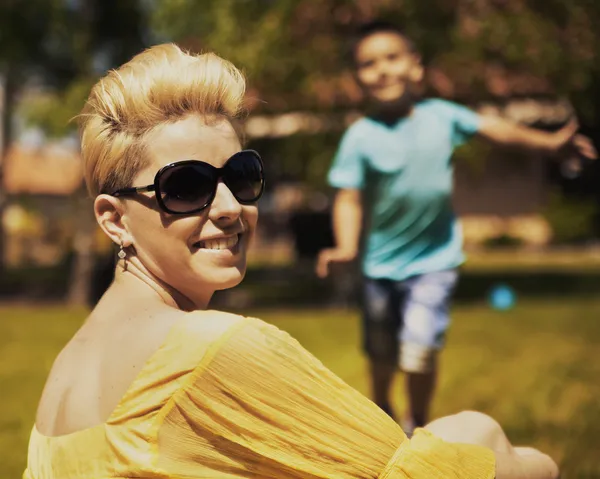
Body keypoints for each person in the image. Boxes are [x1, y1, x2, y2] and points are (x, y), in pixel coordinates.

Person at [24, 43, 560, 479]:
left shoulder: (63, 377)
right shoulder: (210, 350)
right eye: (185, 187)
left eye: (241, 176)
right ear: (114, 219)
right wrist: (535, 463)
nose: (233, 208)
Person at [316, 21, 597, 432]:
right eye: (368, 63)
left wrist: (549, 145)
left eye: (392, 58)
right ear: (358, 79)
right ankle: (380, 406)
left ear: (416, 67)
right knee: (381, 351)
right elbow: (349, 197)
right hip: (378, 266)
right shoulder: (360, 136)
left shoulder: (441, 116)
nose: (381, 70)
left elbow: (500, 131)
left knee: (420, 348)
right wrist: (345, 247)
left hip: (434, 260)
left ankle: (417, 423)